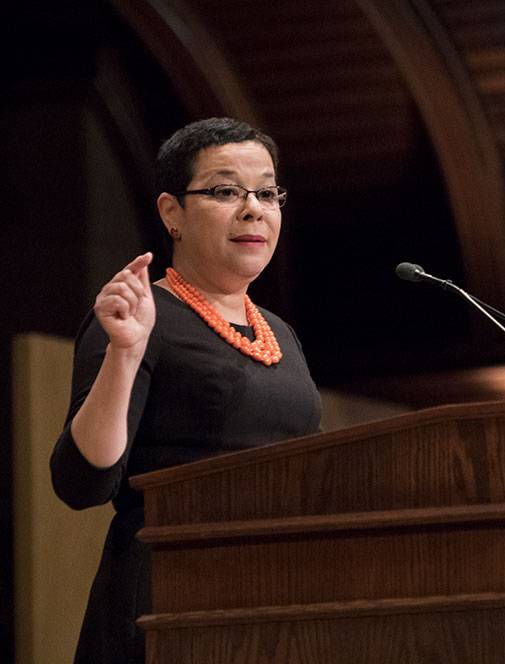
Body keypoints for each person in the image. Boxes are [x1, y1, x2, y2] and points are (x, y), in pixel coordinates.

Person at [50, 117, 322, 663]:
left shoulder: (281, 333)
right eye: (225, 191)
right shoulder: (141, 318)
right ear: (171, 212)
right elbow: (82, 482)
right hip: (173, 599)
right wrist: (126, 351)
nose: (254, 209)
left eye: (267, 192)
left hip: (281, 601)